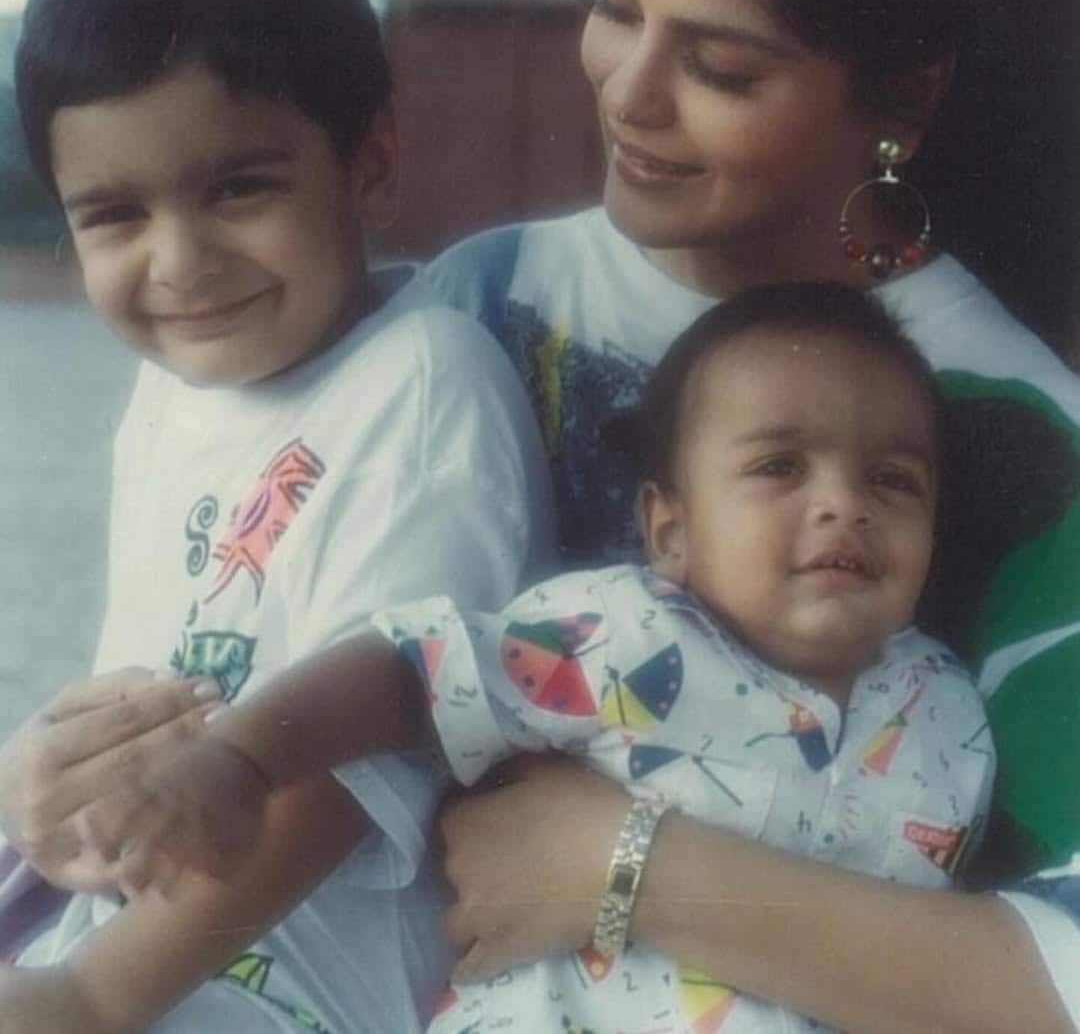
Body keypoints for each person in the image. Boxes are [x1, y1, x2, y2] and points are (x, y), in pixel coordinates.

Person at [421, 0, 1080, 1034]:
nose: (630, 92)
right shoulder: (481, 304)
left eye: (720, 64)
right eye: (616, 9)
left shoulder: (1018, 438)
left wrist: (617, 866)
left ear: (898, 103)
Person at [55, 281, 995, 1034]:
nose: (845, 505)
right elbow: (406, 671)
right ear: (670, 528)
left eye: (892, 479)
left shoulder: (949, 710)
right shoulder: (621, 635)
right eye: (779, 467)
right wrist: (243, 755)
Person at [0, 0, 554, 1034]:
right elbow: (153, 697)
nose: (181, 262)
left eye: (238, 188)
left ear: (370, 162)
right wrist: (45, 810)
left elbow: (353, 772)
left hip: (304, 995)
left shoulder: (423, 383)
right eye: (113, 215)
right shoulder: (170, 397)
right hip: (125, 953)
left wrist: (94, 1000)